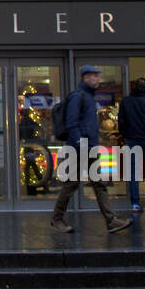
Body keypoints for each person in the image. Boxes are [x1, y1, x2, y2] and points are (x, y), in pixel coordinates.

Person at [51, 65, 133, 234]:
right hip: (79, 148)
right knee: (72, 184)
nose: (97, 79)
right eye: (93, 76)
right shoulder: (78, 97)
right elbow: (72, 123)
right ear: (85, 77)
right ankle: (57, 218)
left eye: (97, 76)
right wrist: (81, 143)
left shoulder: (88, 97)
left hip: (89, 148)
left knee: (99, 183)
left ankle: (111, 220)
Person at [119, 77, 145, 211]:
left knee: (133, 172)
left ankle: (135, 203)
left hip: (132, 140)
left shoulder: (126, 102)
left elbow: (121, 121)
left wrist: (125, 135)